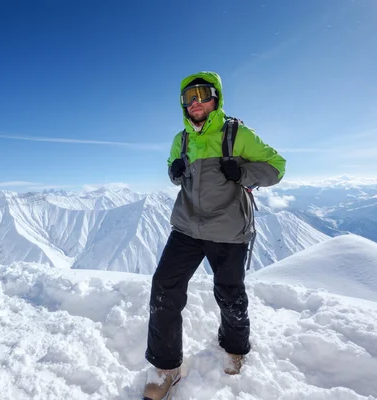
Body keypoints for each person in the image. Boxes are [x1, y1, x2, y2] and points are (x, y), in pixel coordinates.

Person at [142, 71, 286, 400]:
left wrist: (245, 171)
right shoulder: (181, 140)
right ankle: (166, 368)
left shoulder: (237, 134)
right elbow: (172, 165)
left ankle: (234, 349)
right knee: (164, 287)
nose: (195, 103)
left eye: (202, 94)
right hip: (187, 226)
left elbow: (277, 165)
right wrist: (173, 171)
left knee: (229, 293)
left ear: (216, 97)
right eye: (188, 97)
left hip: (228, 229)